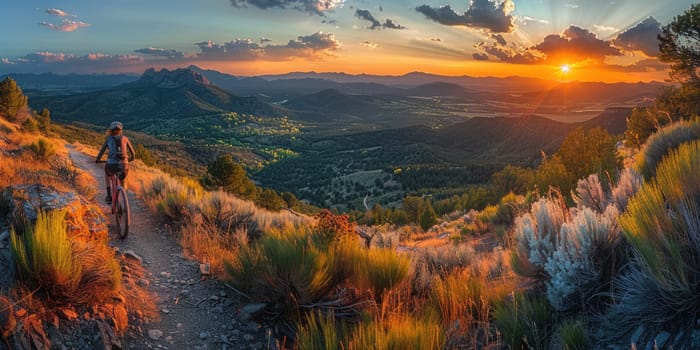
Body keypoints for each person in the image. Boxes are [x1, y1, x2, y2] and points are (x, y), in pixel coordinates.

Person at [95, 121, 135, 204]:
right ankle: (124, 200)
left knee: (107, 173)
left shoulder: (108, 139)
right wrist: (129, 160)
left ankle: (109, 196)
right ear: (121, 130)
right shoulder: (125, 138)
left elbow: (101, 153)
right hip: (124, 165)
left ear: (111, 130)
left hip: (111, 165)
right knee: (122, 179)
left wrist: (98, 160)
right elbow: (133, 154)